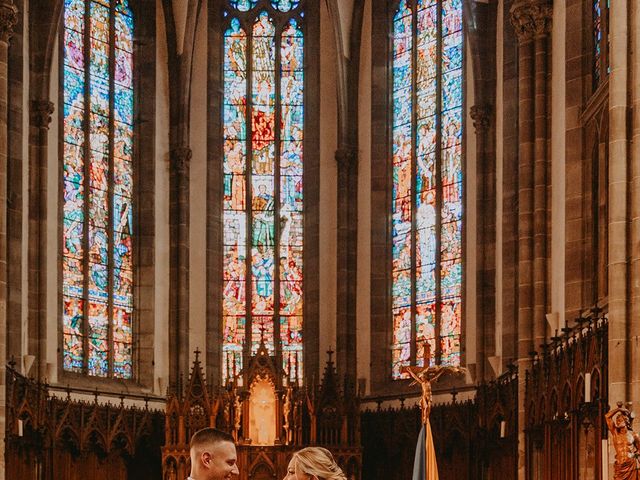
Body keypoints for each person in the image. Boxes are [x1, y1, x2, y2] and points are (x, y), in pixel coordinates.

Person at [605, 402, 640, 479]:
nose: (617, 422)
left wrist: (634, 455)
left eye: (619, 420)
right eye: (617, 420)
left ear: (625, 421)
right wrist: (618, 409)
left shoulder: (633, 435)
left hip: (631, 465)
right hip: (620, 466)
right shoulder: (615, 433)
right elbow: (607, 416)